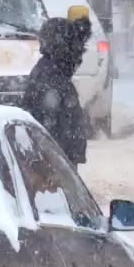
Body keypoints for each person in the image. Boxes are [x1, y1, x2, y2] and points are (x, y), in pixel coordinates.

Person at [22, 16, 92, 168]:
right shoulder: (52, 80)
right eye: (77, 52)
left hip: (58, 160)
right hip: (54, 164)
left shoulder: (52, 74)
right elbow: (53, 126)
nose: (79, 61)